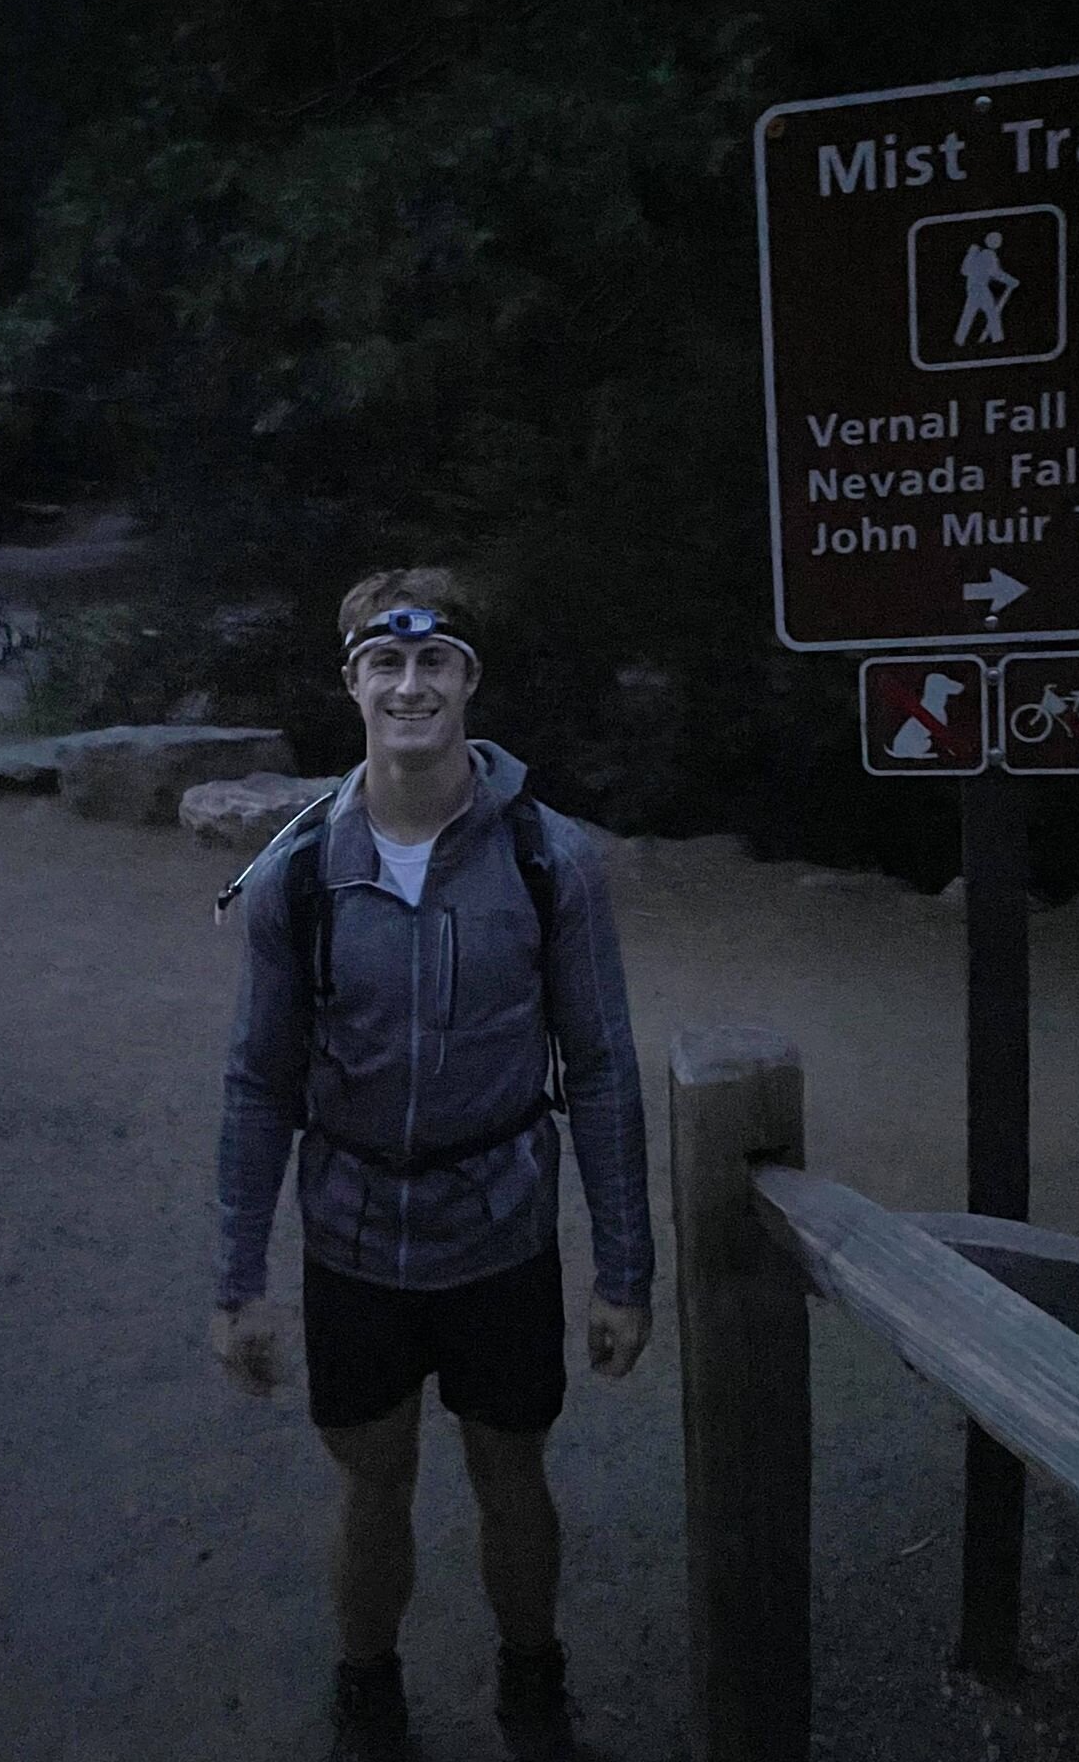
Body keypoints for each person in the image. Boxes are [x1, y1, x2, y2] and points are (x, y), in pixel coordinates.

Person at [210, 567, 655, 1762]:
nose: (410, 685)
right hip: (353, 1237)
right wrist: (236, 1276)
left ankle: (532, 1679)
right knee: (374, 1482)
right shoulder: (296, 873)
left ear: (468, 679)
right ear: (352, 682)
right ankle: (369, 1691)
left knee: (513, 1474)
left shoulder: (549, 859)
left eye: (434, 662)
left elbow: (603, 1068)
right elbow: (258, 1081)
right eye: (385, 665)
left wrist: (624, 1270)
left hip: (500, 1228)